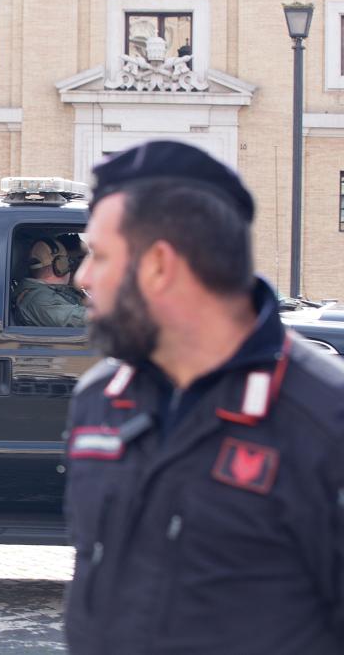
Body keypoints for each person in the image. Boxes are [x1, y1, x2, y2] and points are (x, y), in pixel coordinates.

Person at [64, 140, 344, 654]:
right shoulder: (99, 400)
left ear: (160, 265)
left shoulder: (327, 426)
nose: (82, 279)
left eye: (98, 256)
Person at [13, 238, 86, 327]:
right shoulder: (38, 300)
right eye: (68, 261)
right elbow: (77, 319)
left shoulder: (49, 292)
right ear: (61, 265)